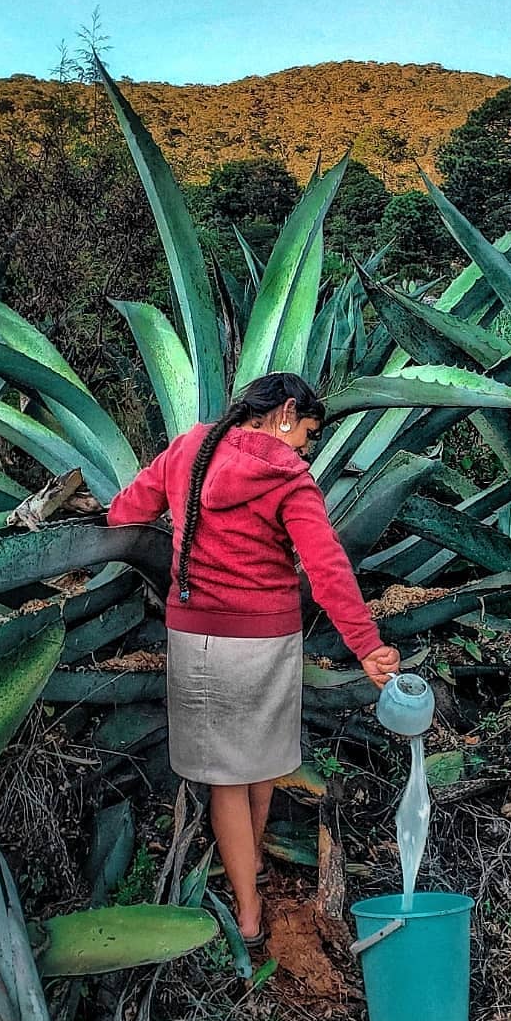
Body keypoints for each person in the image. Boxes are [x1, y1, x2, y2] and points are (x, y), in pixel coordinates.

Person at [106, 372, 400, 948]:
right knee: (259, 763)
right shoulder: (289, 480)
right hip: (267, 642)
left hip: (199, 639)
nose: (305, 451)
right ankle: (254, 879)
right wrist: (366, 645)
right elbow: (327, 568)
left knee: (227, 780)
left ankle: (247, 908)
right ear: (285, 413)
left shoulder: (190, 447)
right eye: (306, 436)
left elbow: (125, 515)